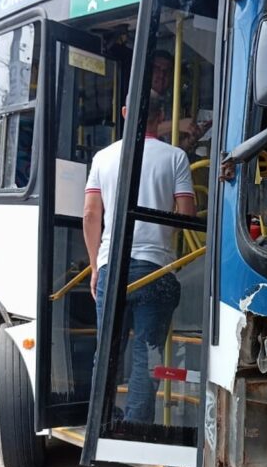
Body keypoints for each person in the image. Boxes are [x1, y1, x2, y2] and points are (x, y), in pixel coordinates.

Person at [83, 91, 197, 425]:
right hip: (155, 269)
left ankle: (100, 424)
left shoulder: (103, 158)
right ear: (160, 117)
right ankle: (135, 430)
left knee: (107, 352)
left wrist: (94, 267)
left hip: (111, 268)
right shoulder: (175, 157)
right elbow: (187, 213)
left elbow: (91, 215)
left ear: (124, 113)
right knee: (144, 358)